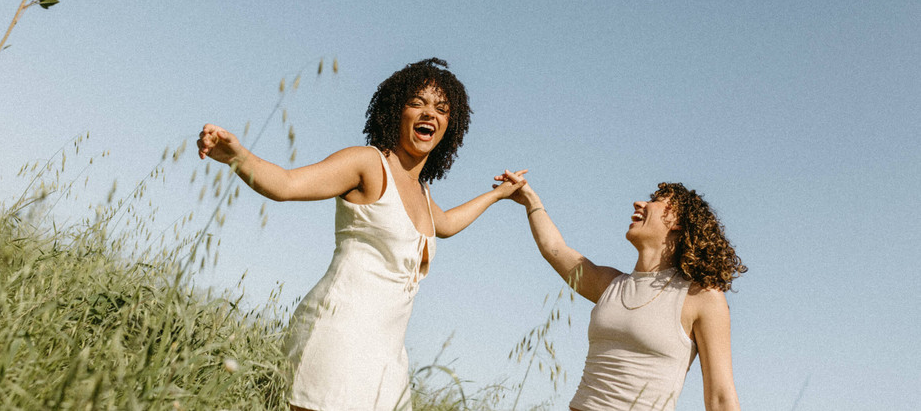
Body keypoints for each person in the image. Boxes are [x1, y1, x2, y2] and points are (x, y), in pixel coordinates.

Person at [197, 58, 525, 411]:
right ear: (395, 110)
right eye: (417, 102)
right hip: (337, 336)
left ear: (450, 126)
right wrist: (237, 156)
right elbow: (287, 184)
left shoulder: (424, 196)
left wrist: (497, 195)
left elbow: (446, 225)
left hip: (388, 357)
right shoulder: (367, 163)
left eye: (442, 109)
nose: (430, 113)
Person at [500, 174, 746, 411]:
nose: (639, 203)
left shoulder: (701, 297)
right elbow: (553, 248)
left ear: (678, 221)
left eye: (656, 201)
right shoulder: (610, 284)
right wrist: (531, 200)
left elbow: (720, 398)